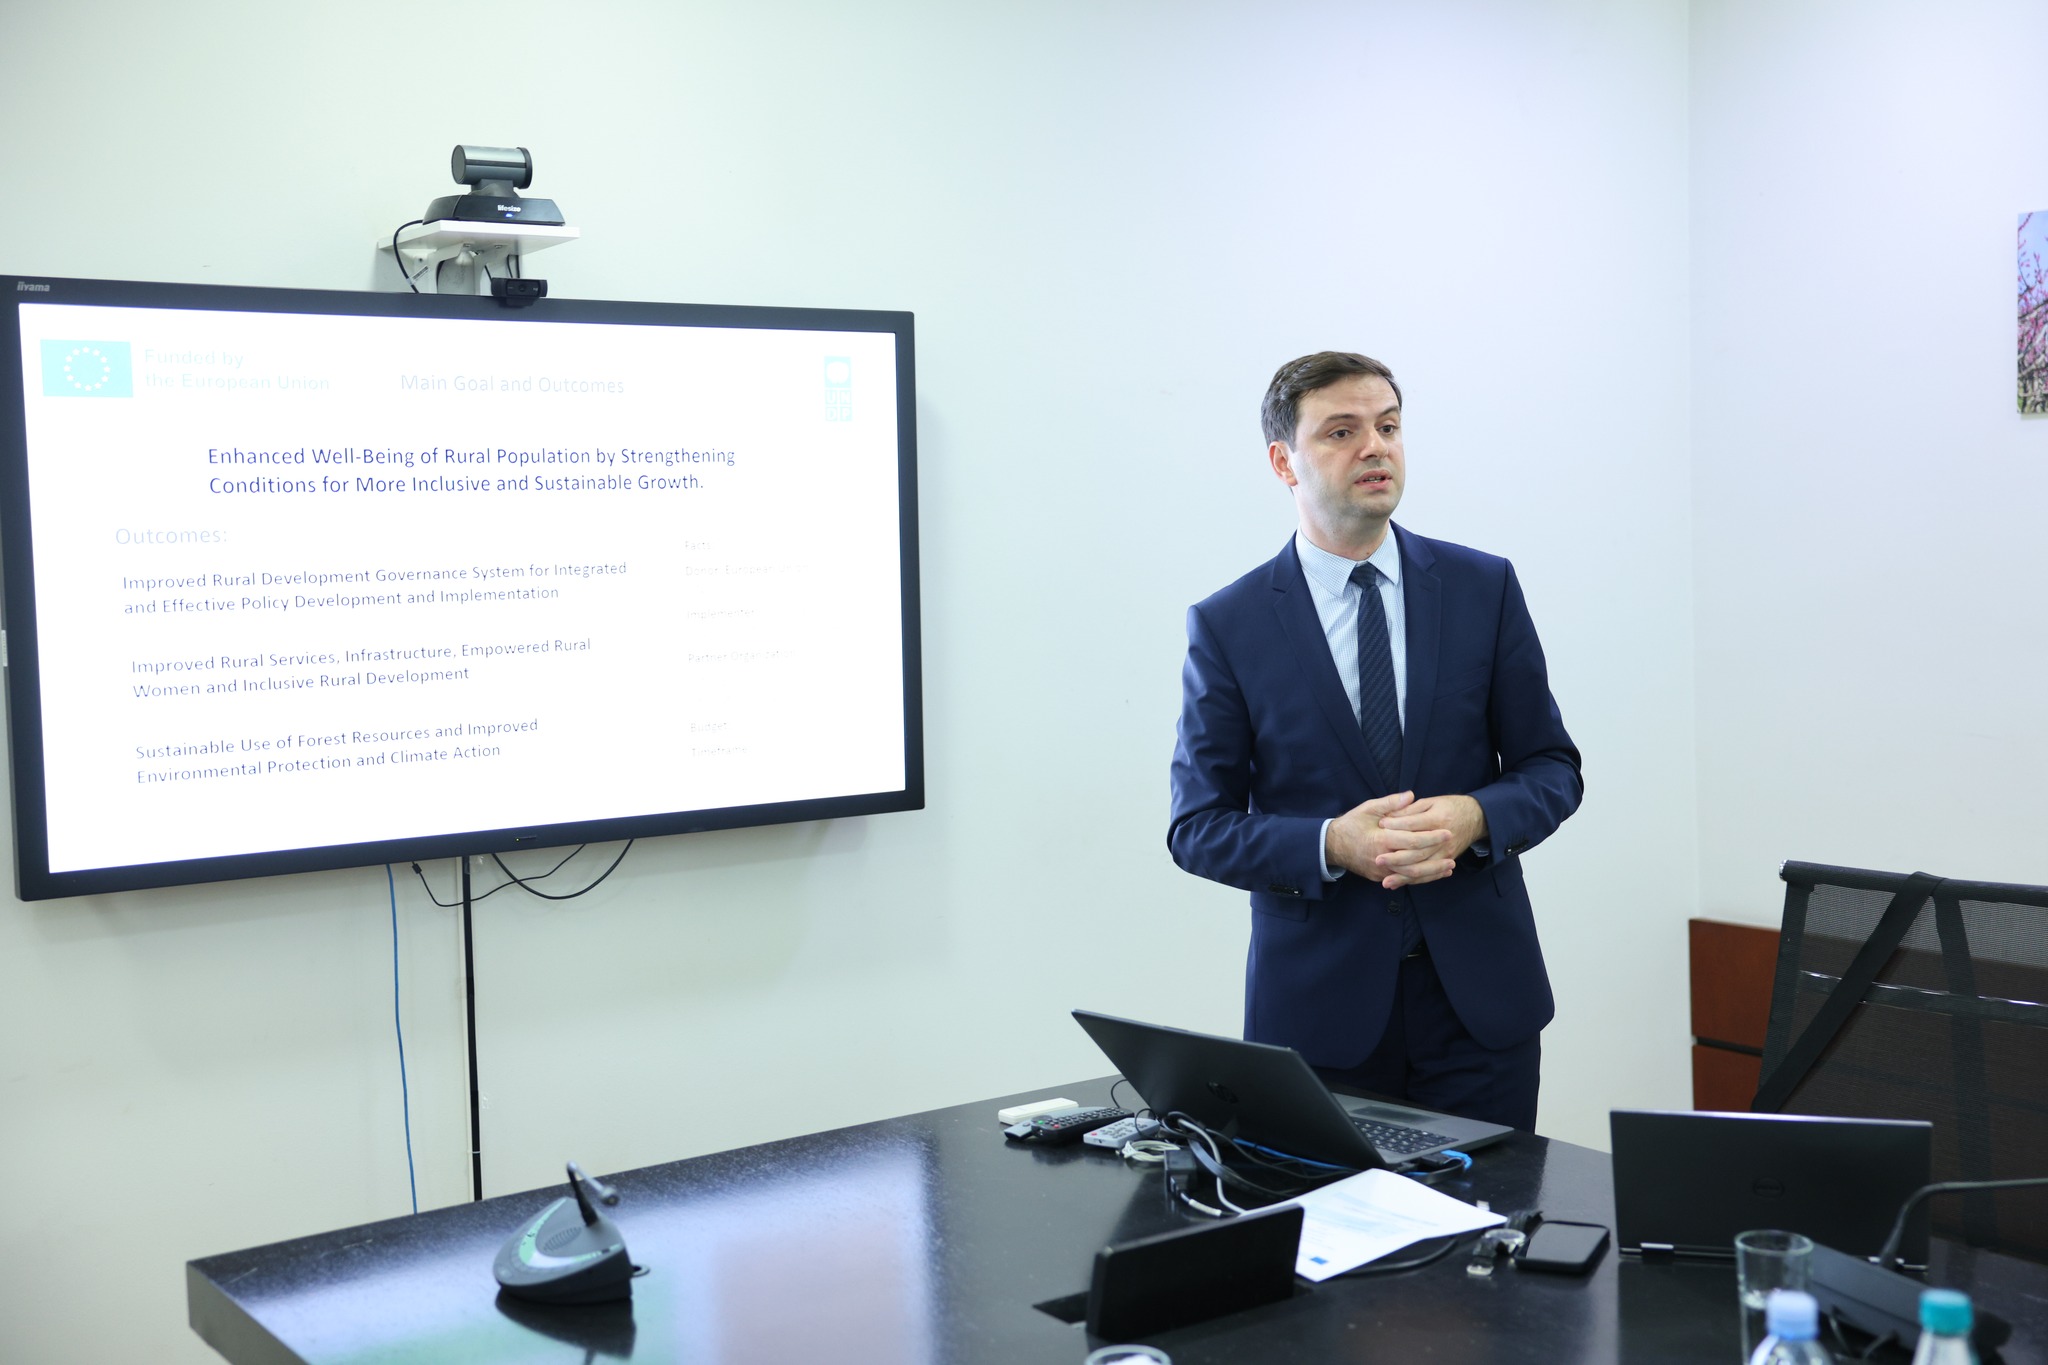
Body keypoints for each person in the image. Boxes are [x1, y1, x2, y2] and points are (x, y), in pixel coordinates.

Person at [1167, 351, 1581, 1131]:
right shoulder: (1230, 625)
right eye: (1341, 431)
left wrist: (1474, 816)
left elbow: (1552, 768)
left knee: (1494, 1208)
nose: (1374, 447)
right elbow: (1196, 827)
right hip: (1321, 1020)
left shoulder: (1483, 588)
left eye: (1388, 427)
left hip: (1481, 1010)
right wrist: (1331, 843)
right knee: (1338, 1213)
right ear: (1283, 462)